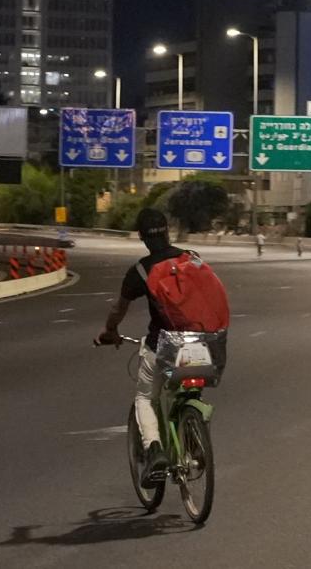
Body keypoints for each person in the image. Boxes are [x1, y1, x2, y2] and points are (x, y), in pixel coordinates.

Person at [98, 208, 185, 486]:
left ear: (141, 237)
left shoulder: (139, 271)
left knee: (145, 398)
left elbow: (118, 309)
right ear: (168, 230)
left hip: (164, 343)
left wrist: (110, 332)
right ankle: (194, 435)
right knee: (187, 388)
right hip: (202, 342)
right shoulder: (191, 259)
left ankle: (156, 451)